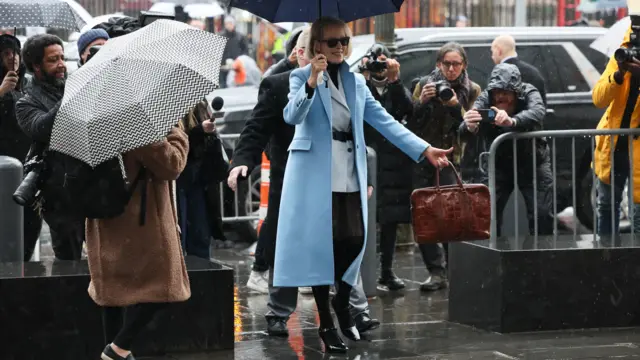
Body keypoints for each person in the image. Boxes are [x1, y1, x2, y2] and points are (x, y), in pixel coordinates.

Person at [275, 17, 452, 353]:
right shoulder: (301, 76)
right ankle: (326, 321)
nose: (339, 46)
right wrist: (312, 81)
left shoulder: (356, 82)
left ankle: (342, 303)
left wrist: (424, 149)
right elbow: (291, 116)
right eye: (331, 42)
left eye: (344, 40)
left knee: (353, 242)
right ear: (316, 46)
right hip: (314, 174)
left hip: (349, 171)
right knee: (319, 248)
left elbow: (383, 121)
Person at [228, 28, 380, 337]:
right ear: (301, 52)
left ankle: (356, 309)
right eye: (318, 48)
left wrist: (362, 171)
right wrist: (242, 161)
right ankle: (279, 311)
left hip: (337, 176)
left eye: (339, 44)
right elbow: (256, 128)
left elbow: (363, 125)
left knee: (347, 237)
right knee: (288, 243)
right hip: (293, 176)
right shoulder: (279, 82)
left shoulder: (345, 79)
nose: (329, 52)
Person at [87, 125, 191, 360]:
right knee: (166, 286)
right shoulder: (136, 125)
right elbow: (172, 164)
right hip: (138, 220)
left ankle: (116, 351)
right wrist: (178, 132)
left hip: (104, 215)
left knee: (112, 293)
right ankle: (118, 348)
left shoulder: (95, 120)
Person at [410, 42, 481, 291]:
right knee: (423, 214)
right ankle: (435, 271)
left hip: (451, 158)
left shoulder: (472, 89)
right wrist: (422, 100)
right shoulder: (424, 84)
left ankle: (454, 269)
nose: (451, 69)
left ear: (464, 66)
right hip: (423, 155)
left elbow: (471, 127)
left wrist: (455, 106)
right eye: (446, 64)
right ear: (438, 64)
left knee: (451, 215)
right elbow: (410, 121)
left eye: (456, 64)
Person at [461, 63, 553, 237]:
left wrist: (512, 121)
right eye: (497, 92)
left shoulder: (529, 91)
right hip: (499, 163)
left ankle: (542, 258)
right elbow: (463, 129)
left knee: (542, 215)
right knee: (487, 214)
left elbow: (538, 111)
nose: (500, 97)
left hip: (533, 161)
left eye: (506, 93)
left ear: (516, 93)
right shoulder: (485, 98)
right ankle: (492, 257)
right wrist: (470, 125)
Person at [16, 34, 86, 261]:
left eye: (62, 58)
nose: (61, 65)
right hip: (59, 196)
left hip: (92, 187)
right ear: (36, 66)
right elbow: (41, 128)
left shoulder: (71, 87)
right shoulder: (26, 102)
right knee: (69, 264)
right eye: (53, 60)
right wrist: (71, 95)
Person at [359, 44, 413, 291]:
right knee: (362, 218)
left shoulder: (396, 87)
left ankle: (387, 271)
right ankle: (360, 270)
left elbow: (408, 110)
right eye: (376, 63)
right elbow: (357, 108)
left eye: (384, 63)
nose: (380, 69)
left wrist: (395, 81)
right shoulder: (362, 85)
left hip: (392, 163)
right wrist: (365, 78)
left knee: (390, 220)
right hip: (367, 157)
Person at [592, 25, 640, 239]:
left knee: (638, 211)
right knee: (606, 205)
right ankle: (606, 259)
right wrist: (618, 76)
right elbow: (598, 98)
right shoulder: (620, 56)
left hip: (637, 147)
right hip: (614, 144)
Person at [0, 34, 42, 261]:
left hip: (28, 161)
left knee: (30, 219)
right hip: (4, 164)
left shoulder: (28, 83)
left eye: (15, 53)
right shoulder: (4, 84)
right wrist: (2, 91)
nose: (12, 58)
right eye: (5, 54)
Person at [177, 99, 226, 260]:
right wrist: (199, 131)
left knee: (199, 235)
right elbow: (173, 145)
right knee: (179, 237)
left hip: (198, 180)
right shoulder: (167, 107)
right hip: (176, 180)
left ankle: (199, 278)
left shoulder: (200, 103)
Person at [491, 34, 547, 104]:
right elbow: (541, 106)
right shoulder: (533, 72)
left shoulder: (499, 74)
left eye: (493, 52)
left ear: (499, 51)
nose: (492, 56)